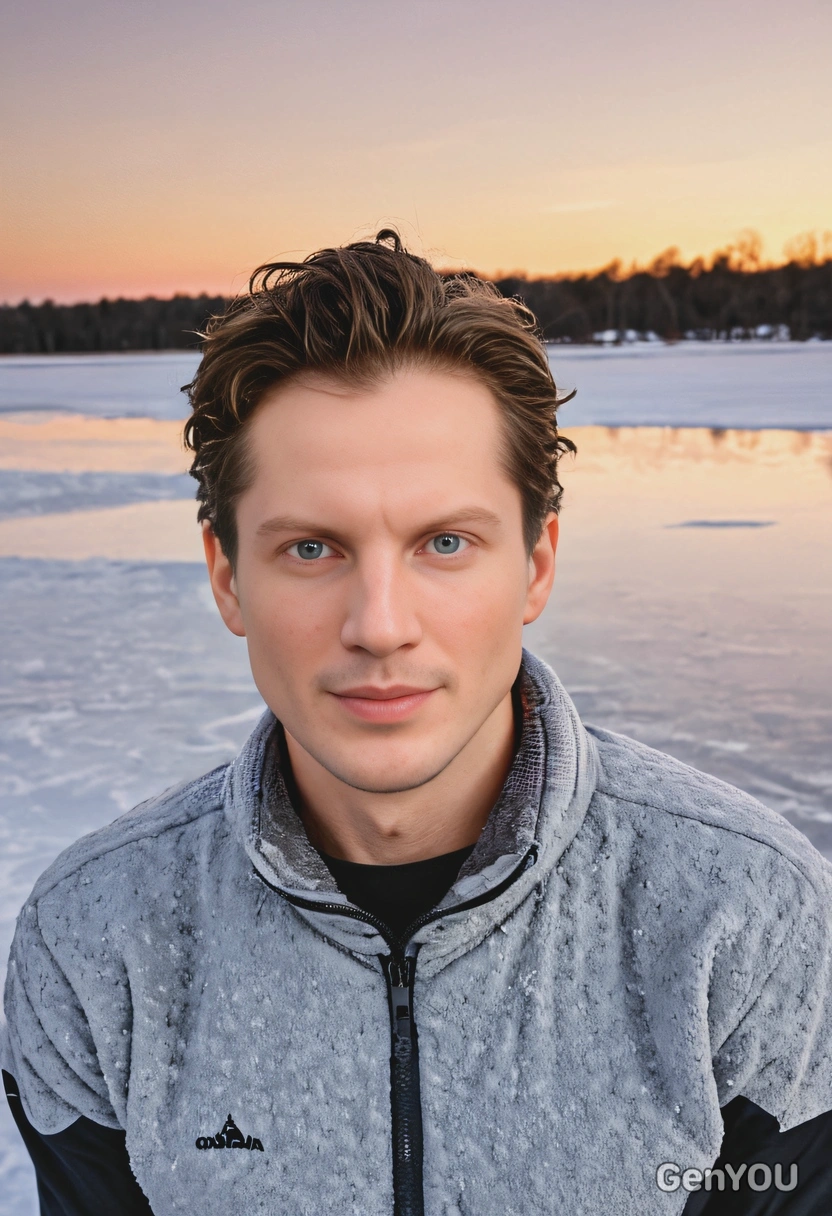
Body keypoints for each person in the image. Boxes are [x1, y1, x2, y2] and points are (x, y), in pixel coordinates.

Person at [4, 231, 832, 1216]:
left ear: (534, 564)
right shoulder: (98, 937)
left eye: (445, 541)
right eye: (312, 547)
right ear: (228, 577)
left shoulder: (743, 915)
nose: (380, 625)